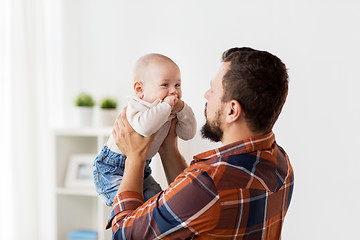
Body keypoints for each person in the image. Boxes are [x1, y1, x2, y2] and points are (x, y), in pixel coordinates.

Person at [106, 47, 294, 239]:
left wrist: (135, 158)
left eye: (213, 90)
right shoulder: (281, 163)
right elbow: (195, 207)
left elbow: (124, 234)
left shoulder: (210, 183)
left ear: (232, 110)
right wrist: (169, 149)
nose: (206, 94)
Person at [93, 53, 197, 206]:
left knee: (159, 204)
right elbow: (145, 128)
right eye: (165, 85)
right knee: (129, 210)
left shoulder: (165, 109)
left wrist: (183, 109)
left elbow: (188, 134)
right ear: (139, 89)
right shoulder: (137, 106)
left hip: (143, 168)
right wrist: (167, 106)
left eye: (177, 85)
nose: (173, 91)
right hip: (112, 169)